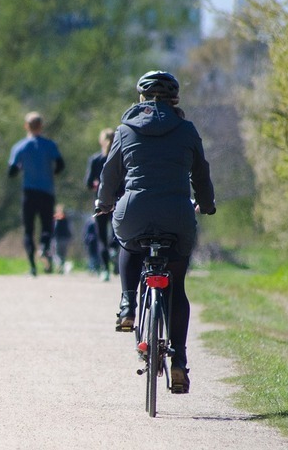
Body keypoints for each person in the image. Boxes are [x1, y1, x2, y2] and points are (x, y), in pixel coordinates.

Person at [96, 70, 216, 394]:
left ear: (141, 98)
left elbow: (109, 174)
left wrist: (103, 203)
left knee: (128, 243)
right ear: (175, 100)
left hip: (134, 212)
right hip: (177, 216)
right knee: (177, 286)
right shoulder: (187, 130)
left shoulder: (124, 129)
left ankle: (127, 305)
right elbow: (201, 175)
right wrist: (206, 204)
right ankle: (179, 361)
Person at [8, 111, 65, 276]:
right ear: (41, 126)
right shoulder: (50, 145)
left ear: (26, 126)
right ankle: (44, 246)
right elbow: (61, 165)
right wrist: (50, 172)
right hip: (47, 191)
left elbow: (11, 171)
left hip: (29, 192)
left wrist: (21, 167)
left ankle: (32, 267)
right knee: (47, 226)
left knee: (29, 229)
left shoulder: (20, 147)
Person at [85, 128, 118, 282]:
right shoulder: (119, 158)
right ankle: (114, 250)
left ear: (101, 141)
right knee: (117, 232)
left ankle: (105, 270)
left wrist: (96, 184)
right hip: (118, 201)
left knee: (101, 238)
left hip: (100, 202)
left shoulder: (95, 160)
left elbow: (88, 183)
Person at [51, 204, 72, 274]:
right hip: (65, 239)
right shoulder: (66, 218)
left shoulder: (56, 219)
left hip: (58, 239)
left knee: (56, 254)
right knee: (63, 254)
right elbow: (69, 229)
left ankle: (60, 266)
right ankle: (62, 268)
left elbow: (54, 229)